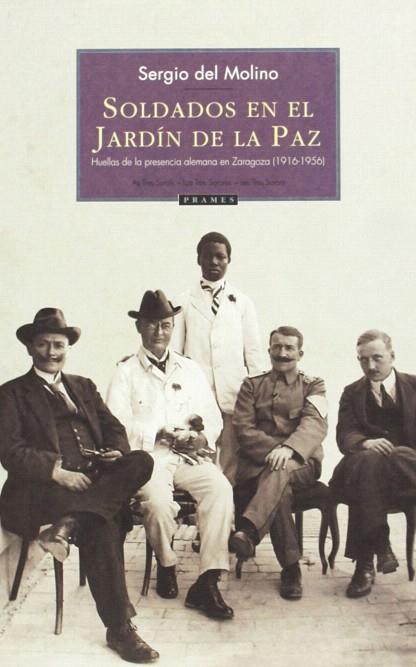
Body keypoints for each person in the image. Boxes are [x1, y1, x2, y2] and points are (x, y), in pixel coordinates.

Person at [0, 308, 158, 663]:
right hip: (41, 491)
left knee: (141, 460)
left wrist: (115, 451)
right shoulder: (10, 394)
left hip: (91, 483)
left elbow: (114, 427)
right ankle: (120, 629)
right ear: (30, 347)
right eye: (43, 344)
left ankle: (70, 524)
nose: (51, 352)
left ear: (67, 347)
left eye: (58, 345)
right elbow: (10, 452)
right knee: (102, 523)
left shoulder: (83, 386)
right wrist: (55, 472)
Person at [106, 290, 234, 620]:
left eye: (165, 324)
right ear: (139, 327)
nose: (159, 331)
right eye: (151, 324)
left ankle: (208, 579)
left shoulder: (189, 369)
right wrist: (157, 433)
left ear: (173, 326)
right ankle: (167, 563)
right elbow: (115, 425)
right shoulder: (125, 372)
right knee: (158, 504)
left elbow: (213, 416)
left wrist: (201, 437)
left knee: (220, 489)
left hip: (188, 457)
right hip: (149, 458)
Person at [229, 326, 327, 600]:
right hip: (259, 465)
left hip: (302, 462)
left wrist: (288, 449)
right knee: (279, 488)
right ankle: (291, 569)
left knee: (280, 470)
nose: (282, 353)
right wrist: (275, 449)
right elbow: (243, 428)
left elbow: (314, 424)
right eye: (277, 347)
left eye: (289, 348)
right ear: (269, 350)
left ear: (300, 353)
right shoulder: (252, 385)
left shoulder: (313, 385)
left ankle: (249, 531)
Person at [171, 231, 265, 484]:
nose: (214, 261)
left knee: (231, 456)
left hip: (233, 394)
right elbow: (175, 352)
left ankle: (229, 505)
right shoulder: (183, 301)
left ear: (228, 260)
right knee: (200, 454)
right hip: (197, 393)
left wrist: (258, 395)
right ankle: (203, 506)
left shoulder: (243, 302)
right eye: (208, 256)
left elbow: (253, 353)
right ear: (198, 259)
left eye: (220, 257)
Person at [330, 329, 416, 598]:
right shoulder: (351, 392)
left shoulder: (414, 385)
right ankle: (379, 547)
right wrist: (365, 442)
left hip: (406, 471)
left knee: (393, 457)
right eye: (363, 359)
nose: (370, 366)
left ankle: (365, 565)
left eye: (377, 358)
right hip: (362, 467)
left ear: (392, 356)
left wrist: (394, 453)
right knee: (367, 464)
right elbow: (344, 434)